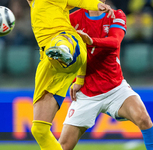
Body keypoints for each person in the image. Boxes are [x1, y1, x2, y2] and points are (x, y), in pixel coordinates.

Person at [58, 0, 153, 150]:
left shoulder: (116, 15)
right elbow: (70, 51)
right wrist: (77, 78)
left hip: (115, 88)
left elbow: (114, 42)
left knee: (144, 118)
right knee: (64, 146)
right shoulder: (72, 19)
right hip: (87, 93)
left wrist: (90, 40)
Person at [26, 0, 114, 150]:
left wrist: (95, 5)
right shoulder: (35, 3)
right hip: (49, 62)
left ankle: (62, 50)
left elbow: (79, 0)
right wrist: (80, 78)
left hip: (69, 43)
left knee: (59, 41)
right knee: (39, 130)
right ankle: (60, 53)